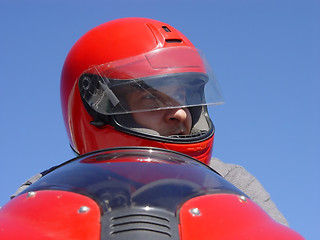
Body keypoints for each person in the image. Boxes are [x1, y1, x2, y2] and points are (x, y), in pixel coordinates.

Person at [12, 17, 288, 226]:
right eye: (153, 100)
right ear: (100, 110)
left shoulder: (232, 182)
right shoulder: (43, 192)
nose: (181, 113)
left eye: (184, 98)